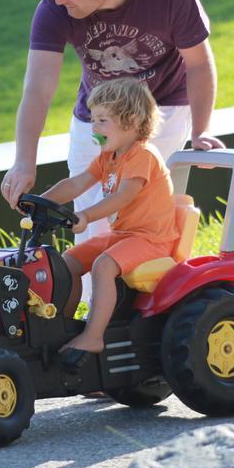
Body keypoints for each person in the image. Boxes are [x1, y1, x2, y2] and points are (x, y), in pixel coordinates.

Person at [1, 0, 224, 301]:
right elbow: (37, 89)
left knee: (145, 217)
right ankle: (92, 317)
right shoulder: (55, 8)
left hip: (163, 111)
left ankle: (147, 310)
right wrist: (24, 160)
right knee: (87, 227)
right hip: (96, 119)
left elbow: (199, 63)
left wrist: (201, 131)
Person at [37, 79, 179, 362]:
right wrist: (40, 201)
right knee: (68, 262)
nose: (95, 128)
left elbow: (123, 197)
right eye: (93, 120)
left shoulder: (143, 156)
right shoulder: (108, 157)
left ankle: (93, 336)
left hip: (151, 239)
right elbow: (77, 183)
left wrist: (87, 216)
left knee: (103, 266)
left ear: (133, 120)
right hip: (125, 235)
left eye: (103, 120)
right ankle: (64, 326)